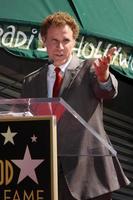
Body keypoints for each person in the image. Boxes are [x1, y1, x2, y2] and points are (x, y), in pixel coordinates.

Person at [21, 12, 130, 200]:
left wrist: (104, 77)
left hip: (89, 176)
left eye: (66, 40)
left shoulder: (90, 69)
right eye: (54, 40)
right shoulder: (30, 81)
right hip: (46, 174)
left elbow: (107, 90)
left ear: (74, 42)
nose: (60, 47)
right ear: (43, 41)